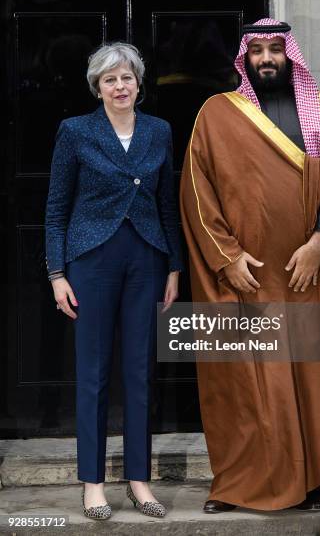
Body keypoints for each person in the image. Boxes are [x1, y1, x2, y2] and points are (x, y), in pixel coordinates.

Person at [179, 18, 320, 513]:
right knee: (250, 383)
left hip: (313, 273)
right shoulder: (216, 114)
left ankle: (313, 481)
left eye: (276, 50)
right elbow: (196, 192)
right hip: (250, 278)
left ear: (290, 55)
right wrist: (227, 258)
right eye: (258, 51)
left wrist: (318, 243)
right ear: (244, 59)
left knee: (313, 380)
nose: (267, 58)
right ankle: (238, 484)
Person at [45, 42, 182, 520]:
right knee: (94, 375)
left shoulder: (160, 131)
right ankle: (93, 485)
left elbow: (168, 205)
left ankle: (140, 483)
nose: (119, 87)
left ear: (138, 84)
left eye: (126, 78)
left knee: (140, 372)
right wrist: (57, 273)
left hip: (146, 259)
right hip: (91, 262)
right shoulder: (75, 132)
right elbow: (57, 207)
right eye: (110, 80)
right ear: (97, 87)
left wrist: (174, 266)